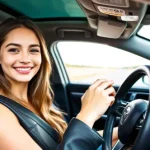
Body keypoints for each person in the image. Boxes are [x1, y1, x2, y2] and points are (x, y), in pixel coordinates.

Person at [0, 17, 117, 150]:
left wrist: (124, 130)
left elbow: (70, 143)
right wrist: (87, 114)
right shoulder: (2, 114)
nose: (25, 59)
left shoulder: (39, 99)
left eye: (33, 50)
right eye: (14, 50)